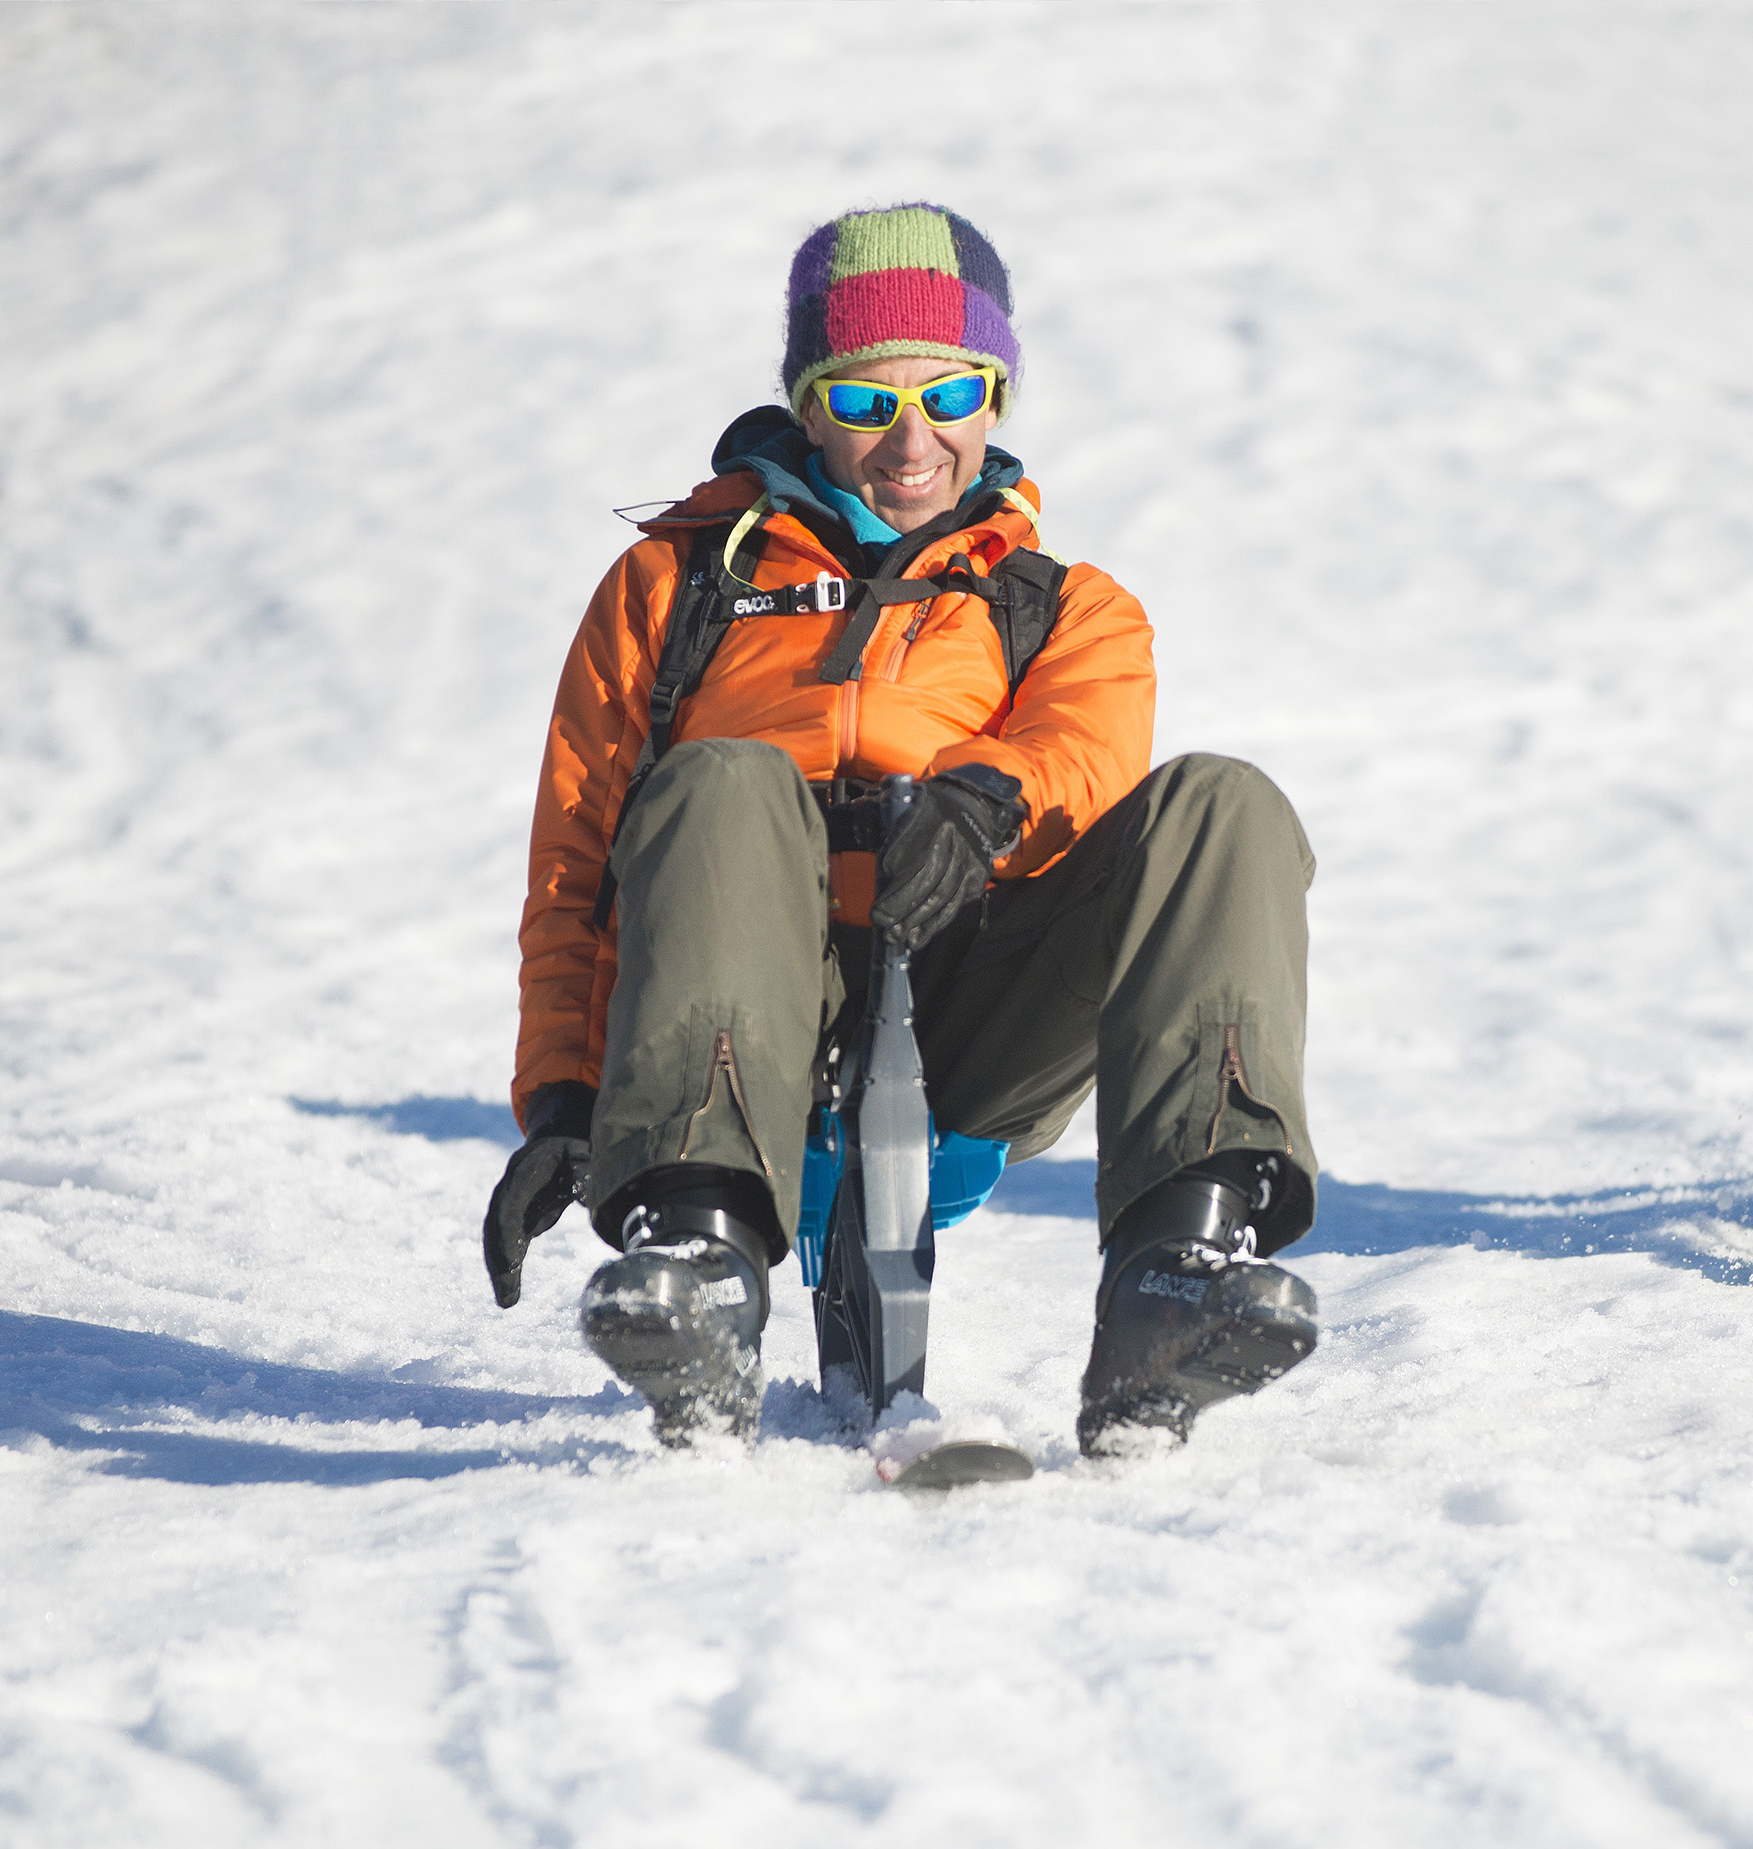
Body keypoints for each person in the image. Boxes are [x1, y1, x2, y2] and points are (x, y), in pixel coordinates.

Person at [480, 202, 1321, 1449]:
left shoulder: (1063, 607)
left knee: (1224, 804)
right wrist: (563, 1094)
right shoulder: (678, 586)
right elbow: (580, 852)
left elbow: (1085, 754)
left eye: (952, 394)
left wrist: (989, 797)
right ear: (809, 404)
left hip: (975, 989)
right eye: (868, 401)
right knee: (721, 777)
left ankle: (1179, 1269)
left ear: (999, 396)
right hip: (742, 993)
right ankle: (702, 1261)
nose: (912, 440)